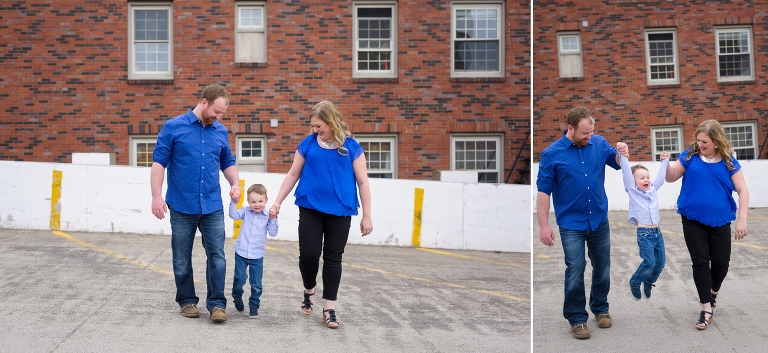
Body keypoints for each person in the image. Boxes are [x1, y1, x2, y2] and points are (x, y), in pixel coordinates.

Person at [269, 100, 373, 329]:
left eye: (319, 126)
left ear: (330, 121)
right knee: (308, 255)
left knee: (333, 257)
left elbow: (363, 182)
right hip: (310, 206)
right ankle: (309, 289)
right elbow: (292, 174)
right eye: (314, 126)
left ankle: (329, 308)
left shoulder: (351, 146)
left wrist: (367, 215)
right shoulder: (307, 144)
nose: (315, 130)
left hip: (341, 209)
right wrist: (277, 202)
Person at [150, 84, 241, 323]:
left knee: (217, 256)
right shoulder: (173, 127)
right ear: (203, 102)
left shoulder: (220, 131)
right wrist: (156, 196)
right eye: (216, 112)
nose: (219, 118)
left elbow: (227, 162)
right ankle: (187, 300)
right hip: (181, 205)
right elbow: (159, 163)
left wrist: (235, 183)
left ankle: (217, 304)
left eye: (222, 114)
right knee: (181, 257)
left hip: (212, 205)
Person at [536, 106, 627, 339]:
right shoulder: (551, 154)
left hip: (598, 219)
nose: (590, 137)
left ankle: (601, 308)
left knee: (603, 267)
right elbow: (544, 192)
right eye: (585, 133)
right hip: (570, 224)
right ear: (570, 128)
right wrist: (544, 226)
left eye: (592, 132)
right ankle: (577, 318)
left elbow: (616, 162)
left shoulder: (598, 143)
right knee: (576, 269)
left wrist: (621, 152)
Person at [664, 119, 749, 330]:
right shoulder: (690, 155)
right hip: (692, 217)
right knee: (700, 262)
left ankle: (712, 293)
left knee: (721, 263)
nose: (700, 144)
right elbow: (672, 177)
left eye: (705, 142)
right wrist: (665, 164)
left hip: (720, 220)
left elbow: (743, 190)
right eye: (699, 140)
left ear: (717, 141)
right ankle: (706, 308)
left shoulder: (728, 161)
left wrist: (742, 219)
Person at [620, 151, 670, 301]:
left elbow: (661, 178)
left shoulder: (652, 189)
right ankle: (635, 281)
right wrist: (622, 156)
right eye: (641, 178)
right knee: (649, 262)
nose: (646, 180)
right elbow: (626, 174)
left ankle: (649, 281)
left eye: (647, 177)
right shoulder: (633, 191)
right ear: (634, 181)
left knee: (660, 263)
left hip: (657, 232)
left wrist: (665, 161)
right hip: (644, 234)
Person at [229, 184, 278, 319]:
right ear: (248, 201)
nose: (257, 205)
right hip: (241, 253)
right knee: (239, 278)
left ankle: (254, 305)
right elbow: (233, 214)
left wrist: (274, 219)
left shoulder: (268, 215)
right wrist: (234, 201)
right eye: (253, 202)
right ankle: (237, 296)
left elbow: (273, 233)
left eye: (260, 201)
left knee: (256, 284)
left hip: (257, 256)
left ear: (266, 200)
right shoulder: (245, 211)